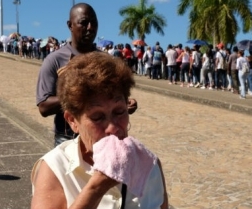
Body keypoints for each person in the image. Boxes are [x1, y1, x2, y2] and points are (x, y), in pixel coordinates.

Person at [31, 52, 169, 209]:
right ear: (72, 121)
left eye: (119, 112)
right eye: (97, 117)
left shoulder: (149, 164)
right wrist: (96, 188)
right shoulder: (54, 167)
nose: (113, 128)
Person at [36, 3, 138, 147]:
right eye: (83, 23)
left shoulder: (105, 60)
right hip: (68, 139)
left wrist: (124, 103)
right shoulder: (55, 60)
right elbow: (44, 106)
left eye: (94, 23)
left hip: (104, 137)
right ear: (70, 25)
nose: (90, 27)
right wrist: (78, 95)